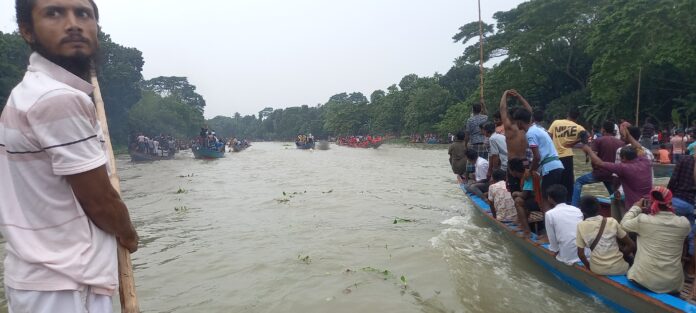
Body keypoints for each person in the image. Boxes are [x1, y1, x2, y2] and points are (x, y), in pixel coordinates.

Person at [0, 0, 139, 311]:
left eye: (83, 14)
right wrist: (129, 234)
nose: (73, 23)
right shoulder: (57, 98)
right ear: (27, 31)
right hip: (67, 282)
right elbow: (100, 201)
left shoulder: (29, 91)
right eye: (54, 13)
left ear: (96, 29)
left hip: (38, 277)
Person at [621, 187, 690, 294]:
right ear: (670, 202)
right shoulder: (684, 224)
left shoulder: (643, 220)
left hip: (643, 280)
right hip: (672, 284)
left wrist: (636, 208)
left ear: (652, 202)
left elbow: (623, 224)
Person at [512, 91, 564, 211]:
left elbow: (537, 157)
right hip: (557, 166)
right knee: (555, 200)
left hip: (549, 168)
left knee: (545, 200)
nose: (516, 125)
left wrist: (530, 171)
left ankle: (548, 228)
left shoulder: (530, 133)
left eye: (516, 122)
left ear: (519, 122)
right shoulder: (537, 128)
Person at [582, 129, 652, 217]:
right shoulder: (645, 161)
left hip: (635, 207)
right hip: (649, 203)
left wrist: (588, 150)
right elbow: (639, 147)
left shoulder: (623, 167)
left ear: (623, 158)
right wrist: (628, 136)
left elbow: (598, 163)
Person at [576, 196, 634, 275]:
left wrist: (588, 266)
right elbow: (631, 245)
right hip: (620, 268)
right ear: (599, 207)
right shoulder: (612, 221)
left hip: (597, 269)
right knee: (631, 258)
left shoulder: (581, 226)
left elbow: (581, 254)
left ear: (582, 211)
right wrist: (622, 256)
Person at [572, 121, 624, 207]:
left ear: (603, 130)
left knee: (578, 181)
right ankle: (619, 208)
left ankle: (574, 206)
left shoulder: (598, 140)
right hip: (613, 174)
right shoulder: (621, 143)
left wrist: (587, 152)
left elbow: (594, 157)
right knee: (613, 193)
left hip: (599, 173)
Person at [549, 107, 586, 203]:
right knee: (568, 184)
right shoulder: (578, 127)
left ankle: (554, 203)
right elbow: (585, 137)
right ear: (577, 117)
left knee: (555, 182)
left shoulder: (556, 123)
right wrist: (573, 143)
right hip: (567, 157)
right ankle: (568, 203)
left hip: (554, 157)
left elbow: (548, 137)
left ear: (567, 114)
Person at [499, 90, 532, 193]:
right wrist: (519, 96)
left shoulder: (509, 127)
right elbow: (529, 110)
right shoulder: (525, 126)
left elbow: (502, 109)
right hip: (525, 162)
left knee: (513, 190)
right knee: (527, 188)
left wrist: (505, 93)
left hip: (513, 163)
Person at [544, 185, 584, 265]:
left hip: (568, 256)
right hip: (585, 252)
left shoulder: (549, 214)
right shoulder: (577, 210)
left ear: (550, 199)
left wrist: (554, 251)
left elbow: (552, 240)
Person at [667, 152, 696, 255]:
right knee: (691, 234)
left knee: (672, 231)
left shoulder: (684, 160)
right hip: (692, 205)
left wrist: (668, 195)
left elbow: (673, 179)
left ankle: (672, 254)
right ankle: (690, 260)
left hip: (677, 201)